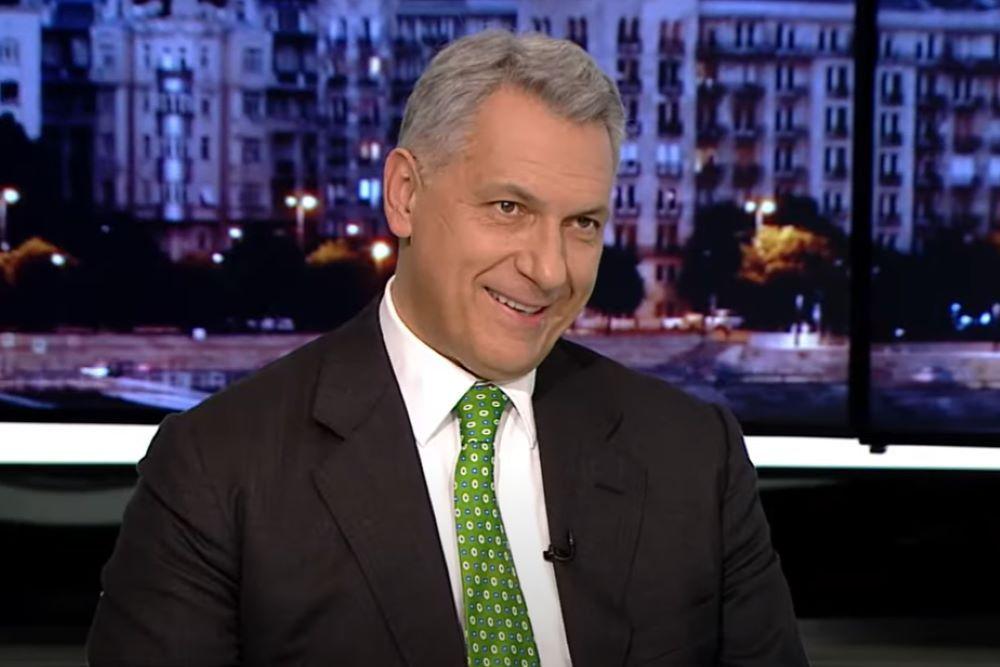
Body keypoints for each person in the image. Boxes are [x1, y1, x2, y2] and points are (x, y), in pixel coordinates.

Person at [86, 30, 808, 666]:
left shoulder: (695, 456)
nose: (549, 270)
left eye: (582, 224)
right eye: (509, 208)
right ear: (404, 194)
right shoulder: (217, 471)